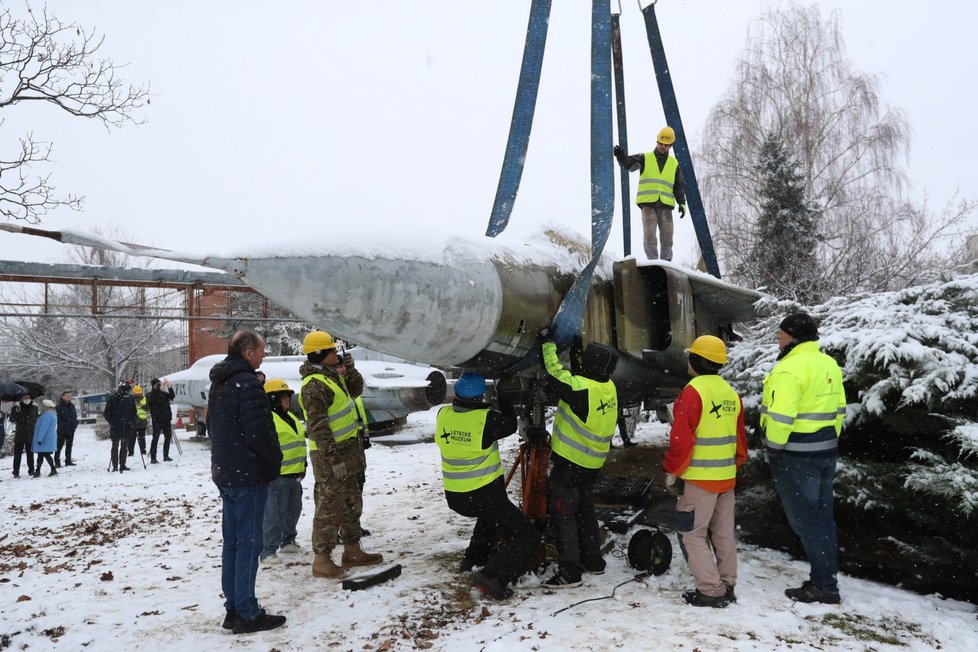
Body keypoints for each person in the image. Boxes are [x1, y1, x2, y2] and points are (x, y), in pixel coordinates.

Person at [760, 313, 846, 605]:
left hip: (795, 456)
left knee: (806, 521)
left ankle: (824, 585)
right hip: (825, 452)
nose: (777, 338)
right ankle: (826, 578)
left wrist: (773, 448)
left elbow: (781, 418)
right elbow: (839, 410)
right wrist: (826, 442)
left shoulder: (788, 370)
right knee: (823, 517)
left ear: (794, 337)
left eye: (781, 333)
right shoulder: (828, 364)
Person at [208, 329, 286, 634]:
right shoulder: (248, 385)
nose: (264, 354)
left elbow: (215, 429)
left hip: (227, 474)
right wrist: (273, 462)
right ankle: (247, 612)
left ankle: (234, 607)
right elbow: (260, 434)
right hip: (248, 476)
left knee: (233, 544)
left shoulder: (220, 382)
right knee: (248, 546)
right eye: (262, 350)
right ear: (248, 352)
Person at [436, 372, 540, 600]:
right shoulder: (486, 420)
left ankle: (472, 559)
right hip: (484, 496)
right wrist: (504, 395)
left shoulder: (443, 415)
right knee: (527, 536)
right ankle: (492, 576)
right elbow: (511, 424)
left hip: (456, 497)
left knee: (488, 517)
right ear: (479, 397)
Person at [664, 336, 748, 608]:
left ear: (696, 361)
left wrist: (672, 470)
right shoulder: (730, 394)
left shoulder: (693, 392)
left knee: (692, 535)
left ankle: (712, 591)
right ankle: (728, 584)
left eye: (692, 356)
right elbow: (740, 440)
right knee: (722, 534)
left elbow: (681, 439)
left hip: (700, 480)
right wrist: (732, 466)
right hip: (725, 478)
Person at [299, 330, 382, 579]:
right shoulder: (314, 385)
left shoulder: (333, 377)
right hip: (330, 456)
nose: (337, 353)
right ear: (321, 355)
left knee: (350, 503)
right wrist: (333, 459)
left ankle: (352, 550)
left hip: (349, 451)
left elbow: (355, 391)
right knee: (329, 505)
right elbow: (317, 427)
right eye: (333, 351)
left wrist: (351, 369)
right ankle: (322, 560)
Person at [539, 328, 619, 588]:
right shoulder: (608, 389)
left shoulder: (581, 388)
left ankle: (569, 572)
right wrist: (576, 351)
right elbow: (580, 379)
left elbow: (555, 373)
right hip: (592, 465)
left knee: (564, 515)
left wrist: (547, 344)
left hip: (569, 465)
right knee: (585, 512)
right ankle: (593, 561)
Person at [614, 126, 687, 261]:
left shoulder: (674, 164)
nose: (662, 146)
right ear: (657, 141)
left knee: (667, 236)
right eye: (660, 143)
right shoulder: (644, 158)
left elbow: (678, 186)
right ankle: (653, 261)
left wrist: (682, 202)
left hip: (665, 205)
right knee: (649, 234)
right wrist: (621, 157)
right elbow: (629, 165)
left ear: (670, 145)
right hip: (648, 204)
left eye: (666, 144)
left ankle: (666, 263)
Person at [260, 379, 307, 564]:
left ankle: (288, 541)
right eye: (282, 397)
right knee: (273, 515)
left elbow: (298, 444)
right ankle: (268, 550)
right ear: (272, 399)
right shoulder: (267, 420)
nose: (287, 400)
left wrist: (303, 466)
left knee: (292, 511)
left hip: (294, 475)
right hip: (276, 476)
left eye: (287, 397)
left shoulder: (292, 418)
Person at [103, 382, 136, 473]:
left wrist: (131, 423)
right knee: (118, 445)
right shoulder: (115, 398)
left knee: (121, 446)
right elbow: (107, 413)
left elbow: (134, 412)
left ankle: (120, 464)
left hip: (123, 425)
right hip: (119, 425)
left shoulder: (128, 398)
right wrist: (114, 422)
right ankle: (117, 465)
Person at [147, 377, 176, 463]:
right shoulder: (150, 395)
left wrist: (169, 387)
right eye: (158, 384)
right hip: (157, 419)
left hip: (166, 418)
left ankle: (166, 455)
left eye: (160, 384)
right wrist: (156, 390)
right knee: (155, 438)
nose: (160, 385)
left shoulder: (163, 394)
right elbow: (152, 401)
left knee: (167, 437)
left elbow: (172, 396)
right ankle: (153, 457)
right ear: (153, 385)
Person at [10, 394, 38, 478]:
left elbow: (36, 419)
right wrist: (16, 412)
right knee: (17, 454)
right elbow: (12, 419)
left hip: (30, 434)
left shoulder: (34, 408)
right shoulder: (16, 408)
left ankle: (31, 470)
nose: (27, 399)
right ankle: (16, 471)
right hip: (20, 435)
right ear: (21, 399)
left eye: (28, 397)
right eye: (25, 398)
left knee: (30, 454)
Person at [33, 399, 59, 477]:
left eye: (42, 405)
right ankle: (38, 471)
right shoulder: (52, 414)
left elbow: (43, 428)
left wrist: (39, 439)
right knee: (41, 455)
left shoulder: (46, 415)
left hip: (44, 438)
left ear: (45, 406)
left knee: (45, 454)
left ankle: (52, 469)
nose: (41, 406)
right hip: (48, 437)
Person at [55, 391, 79, 467]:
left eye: (70, 396)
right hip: (62, 430)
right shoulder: (58, 406)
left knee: (69, 445)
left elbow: (74, 416)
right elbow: (58, 419)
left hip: (71, 429)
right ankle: (57, 462)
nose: (68, 397)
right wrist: (64, 426)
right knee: (59, 446)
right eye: (67, 395)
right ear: (62, 396)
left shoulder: (72, 405)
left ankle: (68, 461)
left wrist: (74, 425)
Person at [130, 385, 149, 459]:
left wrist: (141, 406)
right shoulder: (131, 400)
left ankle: (143, 451)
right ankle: (131, 452)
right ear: (134, 393)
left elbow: (148, 408)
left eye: (139, 393)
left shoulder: (144, 399)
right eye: (136, 393)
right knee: (132, 438)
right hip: (134, 421)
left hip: (142, 421)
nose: (138, 394)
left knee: (142, 438)